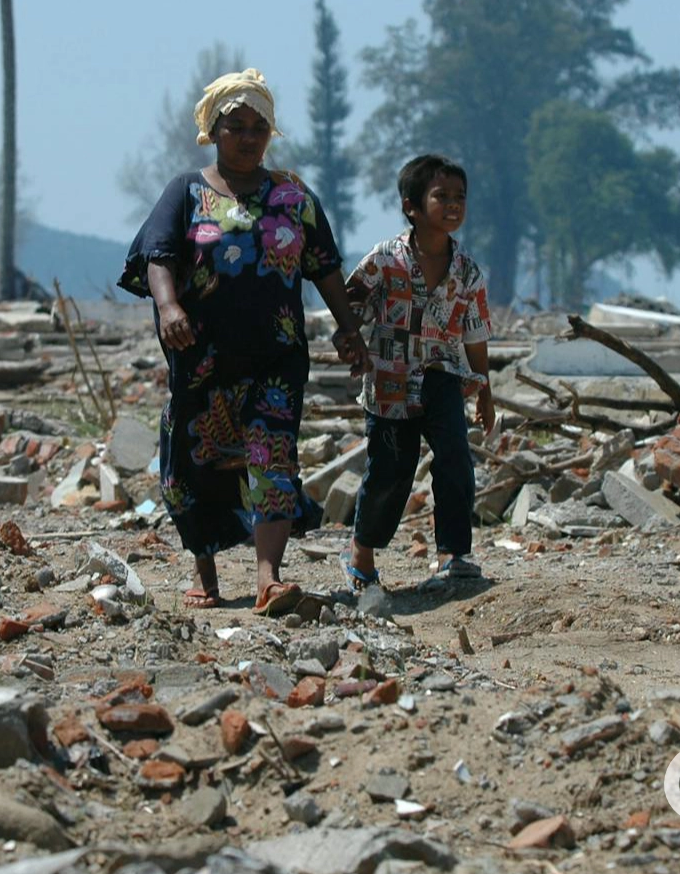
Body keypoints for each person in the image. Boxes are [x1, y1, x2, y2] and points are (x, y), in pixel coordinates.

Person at [119, 68, 370, 614]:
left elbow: (324, 267)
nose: (249, 137)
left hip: (275, 356)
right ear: (214, 130)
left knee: (272, 457)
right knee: (194, 462)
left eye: (260, 127)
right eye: (237, 126)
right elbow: (157, 254)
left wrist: (350, 331)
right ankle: (205, 573)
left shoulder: (292, 194)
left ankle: (268, 579)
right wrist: (168, 306)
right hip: (201, 357)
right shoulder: (185, 191)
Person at [340, 154, 494, 591]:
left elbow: (475, 334)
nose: (453, 205)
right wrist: (349, 343)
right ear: (411, 205)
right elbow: (351, 307)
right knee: (390, 469)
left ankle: (453, 554)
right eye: (441, 196)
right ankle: (362, 552)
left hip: (443, 376)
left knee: (455, 460)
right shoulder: (385, 259)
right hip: (390, 381)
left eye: (460, 197)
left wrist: (484, 390)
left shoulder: (467, 272)